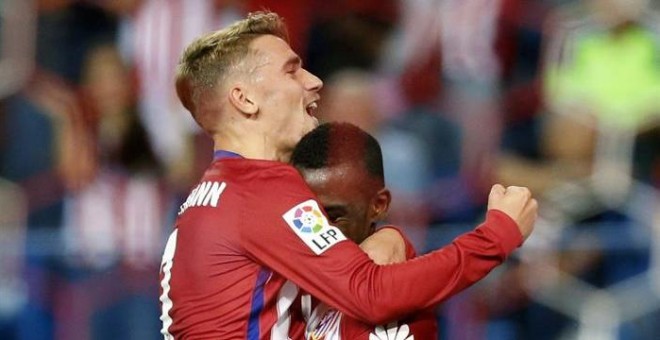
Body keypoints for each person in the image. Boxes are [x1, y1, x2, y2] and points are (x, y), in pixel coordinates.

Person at [160, 11, 537, 339]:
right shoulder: (258, 192)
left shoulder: (211, 198)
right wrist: (496, 236)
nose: (313, 80)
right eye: (291, 70)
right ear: (245, 99)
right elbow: (371, 295)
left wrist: (388, 236)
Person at [290, 122, 438, 339]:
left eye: (333, 217)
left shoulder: (393, 300)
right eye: (306, 218)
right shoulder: (281, 275)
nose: (317, 233)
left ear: (378, 205)